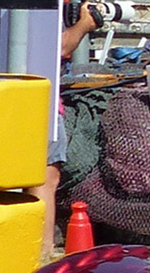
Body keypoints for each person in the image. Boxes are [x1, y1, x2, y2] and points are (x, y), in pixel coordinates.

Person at [27, 2, 97, 258]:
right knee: (44, 178)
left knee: (46, 178)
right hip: (38, 98)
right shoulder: (39, 10)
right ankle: (41, 254)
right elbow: (59, 47)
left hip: (38, 95)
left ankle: (41, 251)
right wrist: (85, 24)